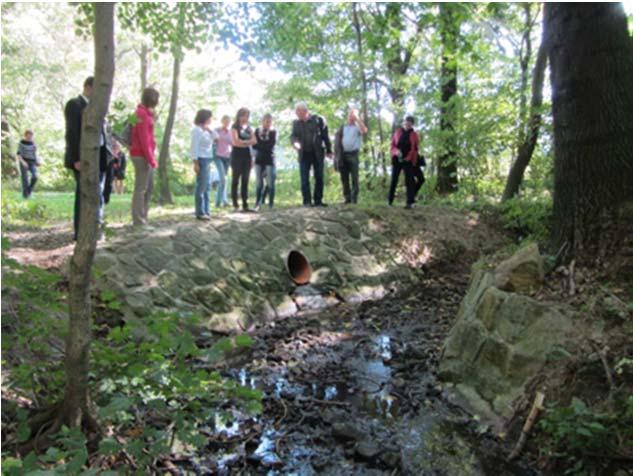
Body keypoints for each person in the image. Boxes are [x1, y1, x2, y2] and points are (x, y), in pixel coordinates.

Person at [64, 76, 110, 240]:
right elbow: (72, 133)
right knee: (84, 194)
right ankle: (81, 233)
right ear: (89, 87)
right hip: (82, 158)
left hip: (99, 155)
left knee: (97, 193)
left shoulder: (97, 108)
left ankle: (95, 228)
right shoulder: (75, 105)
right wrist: (75, 158)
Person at [290, 102, 332, 207]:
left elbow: (325, 136)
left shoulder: (318, 120)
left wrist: (329, 150)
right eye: (296, 112)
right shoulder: (296, 123)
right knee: (304, 178)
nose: (297, 114)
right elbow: (293, 136)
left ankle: (318, 201)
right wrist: (295, 142)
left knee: (319, 177)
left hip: (318, 153)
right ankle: (307, 201)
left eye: (298, 112)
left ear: (305, 111)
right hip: (304, 154)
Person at [130, 87, 159, 226]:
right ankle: (138, 220)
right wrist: (151, 159)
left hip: (144, 154)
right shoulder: (141, 114)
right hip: (141, 155)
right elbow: (144, 139)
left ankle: (143, 217)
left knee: (148, 187)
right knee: (141, 188)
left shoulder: (146, 113)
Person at [334, 107, 367, 204]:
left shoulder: (357, 127)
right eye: (350, 115)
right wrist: (336, 157)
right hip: (342, 155)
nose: (351, 117)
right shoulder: (342, 127)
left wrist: (357, 118)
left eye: (353, 115)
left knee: (354, 177)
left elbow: (364, 130)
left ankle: (354, 199)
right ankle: (347, 198)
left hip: (353, 154)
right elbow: (337, 142)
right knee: (344, 178)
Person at [190, 109, 219, 220]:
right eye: (210, 117)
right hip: (201, 159)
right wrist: (195, 163)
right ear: (205, 118)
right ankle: (200, 212)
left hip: (208, 159)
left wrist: (209, 129)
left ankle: (206, 210)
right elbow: (194, 147)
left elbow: (217, 139)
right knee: (201, 186)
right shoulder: (196, 130)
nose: (211, 119)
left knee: (207, 186)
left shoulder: (206, 130)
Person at [388, 115, 420, 209]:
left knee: (409, 181)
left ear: (412, 124)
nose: (407, 124)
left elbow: (414, 148)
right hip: (397, 159)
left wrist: (408, 158)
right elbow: (393, 145)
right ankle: (390, 200)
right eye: (406, 122)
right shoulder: (398, 132)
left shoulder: (414, 134)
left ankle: (410, 202)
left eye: (410, 123)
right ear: (404, 122)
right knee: (394, 179)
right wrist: (396, 152)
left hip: (408, 160)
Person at [230, 107, 256, 212]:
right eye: (243, 115)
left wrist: (244, 142)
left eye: (247, 116)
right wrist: (247, 142)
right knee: (236, 179)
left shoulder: (249, 128)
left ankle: (245, 204)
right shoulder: (234, 126)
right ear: (239, 116)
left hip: (247, 156)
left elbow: (254, 141)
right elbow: (235, 142)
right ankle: (235, 204)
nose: (245, 118)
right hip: (236, 155)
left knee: (245, 179)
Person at [253, 113, 277, 211]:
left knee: (270, 182)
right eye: (266, 121)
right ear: (262, 121)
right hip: (258, 159)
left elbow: (271, 145)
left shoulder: (273, 132)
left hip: (269, 159)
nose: (268, 124)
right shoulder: (257, 131)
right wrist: (262, 145)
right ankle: (257, 203)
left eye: (270, 122)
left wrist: (260, 144)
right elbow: (254, 145)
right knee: (259, 183)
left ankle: (271, 203)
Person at [214, 115, 232, 207]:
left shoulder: (230, 132)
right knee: (222, 179)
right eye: (225, 121)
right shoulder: (216, 130)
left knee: (224, 180)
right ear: (222, 121)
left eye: (228, 122)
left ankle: (223, 200)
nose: (227, 123)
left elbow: (232, 144)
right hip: (217, 156)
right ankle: (217, 203)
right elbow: (212, 140)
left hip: (227, 157)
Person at [16, 129, 40, 199]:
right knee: (25, 179)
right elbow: (18, 154)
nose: (30, 137)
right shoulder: (21, 142)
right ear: (25, 135)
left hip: (32, 162)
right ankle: (25, 196)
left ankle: (28, 191)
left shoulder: (33, 143)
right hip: (24, 161)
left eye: (31, 135)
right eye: (28, 135)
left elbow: (35, 154)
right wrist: (23, 162)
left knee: (35, 176)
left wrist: (37, 161)